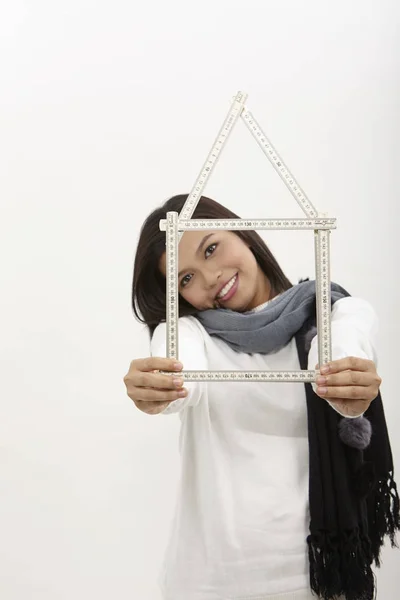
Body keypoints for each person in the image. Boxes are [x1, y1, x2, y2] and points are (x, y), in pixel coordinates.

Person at [123, 194, 397, 600]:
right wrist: (159, 387)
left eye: (211, 249)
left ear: (242, 231)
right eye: (185, 279)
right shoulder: (190, 335)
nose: (209, 278)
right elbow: (177, 368)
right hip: (207, 583)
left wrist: (349, 389)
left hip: (317, 578)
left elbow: (342, 353)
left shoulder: (337, 315)